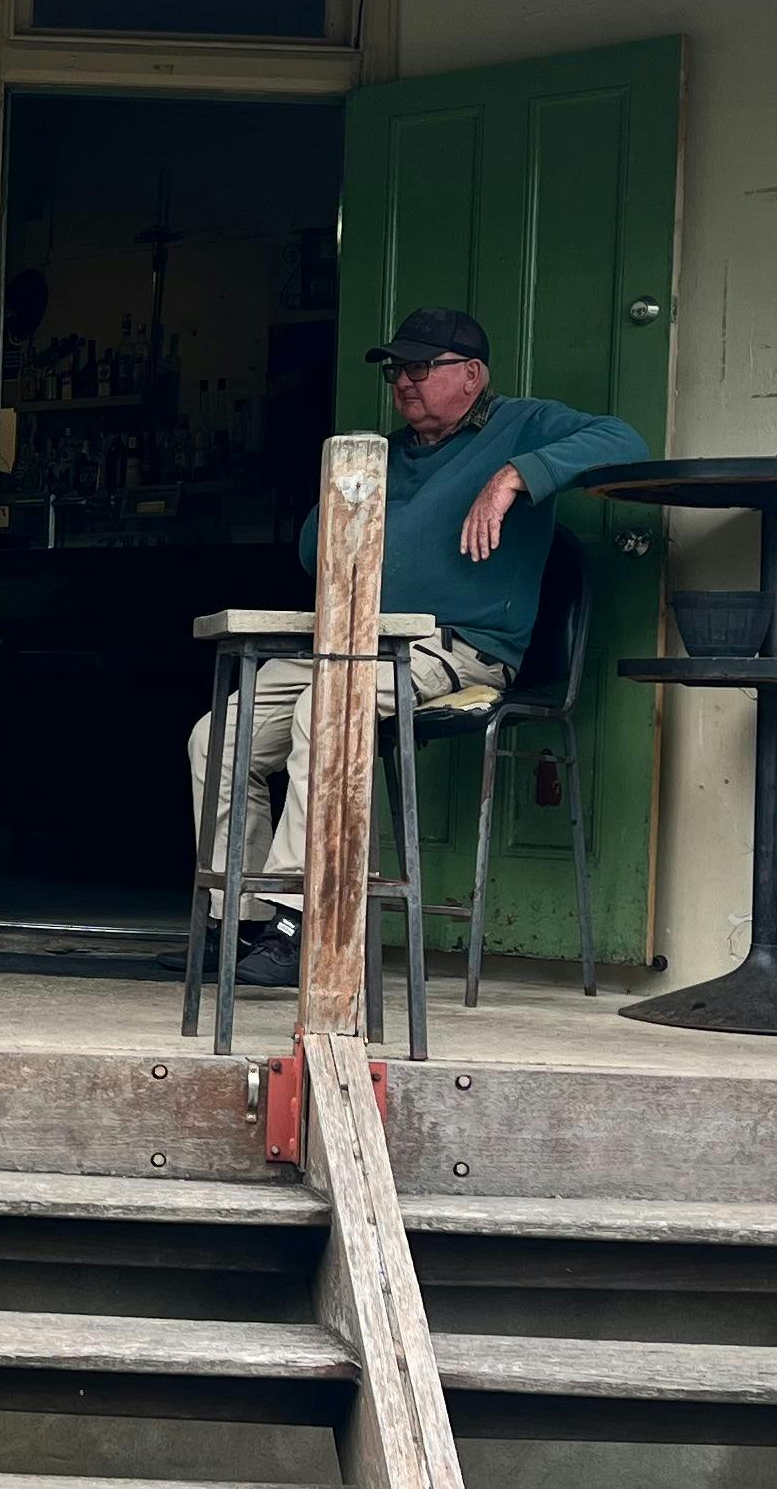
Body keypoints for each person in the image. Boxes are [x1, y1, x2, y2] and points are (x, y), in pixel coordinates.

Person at [199, 307, 647, 986]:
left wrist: (513, 477)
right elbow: (310, 553)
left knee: (326, 708)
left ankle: (303, 925)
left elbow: (625, 441)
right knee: (217, 735)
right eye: (395, 370)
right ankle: (243, 923)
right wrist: (343, 496)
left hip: (460, 651)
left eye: (419, 367)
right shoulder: (381, 452)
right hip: (354, 644)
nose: (403, 383)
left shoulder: (521, 423)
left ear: (470, 375)